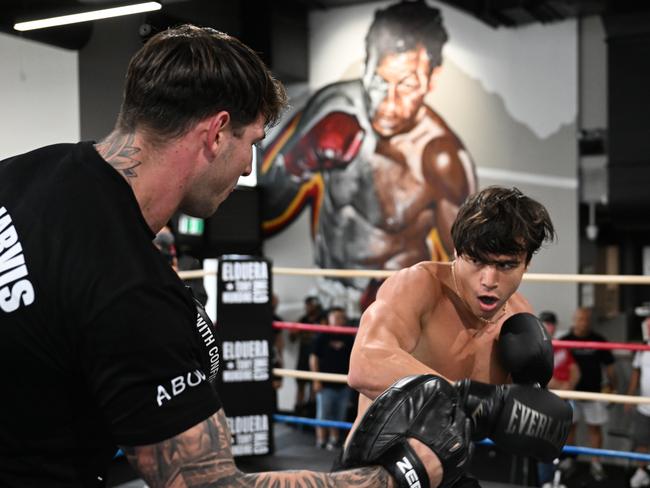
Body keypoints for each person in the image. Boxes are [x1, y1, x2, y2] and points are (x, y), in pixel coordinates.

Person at [0, 24, 472, 488]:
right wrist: (395, 476)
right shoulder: (132, 291)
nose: (249, 166)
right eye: (253, 143)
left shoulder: (24, 171)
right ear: (217, 132)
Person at [258, 0, 477, 312]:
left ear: (432, 79)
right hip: (328, 294)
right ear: (367, 66)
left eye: (406, 85)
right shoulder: (332, 104)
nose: (387, 102)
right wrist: (298, 161)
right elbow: (265, 208)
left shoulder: (441, 157)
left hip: (397, 299)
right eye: (377, 80)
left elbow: (468, 264)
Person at [347, 186, 560, 434]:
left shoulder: (519, 318)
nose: (489, 280)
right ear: (457, 252)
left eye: (506, 265)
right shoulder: (419, 285)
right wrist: (465, 398)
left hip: (453, 467)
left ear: (526, 264)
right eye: (477, 260)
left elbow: (498, 421)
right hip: (378, 463)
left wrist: (531, 406)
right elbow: (365, 364)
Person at [558, 307, 616, 481]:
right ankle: (569, 460)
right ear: (574, 320)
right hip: (571, 394)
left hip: (594, 393)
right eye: (580, 319)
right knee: (569, 429)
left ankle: (596, 463)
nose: (583, 322)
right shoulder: (565, 341)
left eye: (586, 319)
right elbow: (555, 368)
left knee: (595, 430)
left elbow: (610, 367)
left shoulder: (598, 340)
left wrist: (614, 388)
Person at [536, 310, 580, 486]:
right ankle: (546, 481)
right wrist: (562, 386)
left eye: (551, 323)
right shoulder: (536, 346)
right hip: (546, 400)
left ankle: (561, 475)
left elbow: (575, 369)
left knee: (567, 433)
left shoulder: (562, 345)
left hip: (564, 398)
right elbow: (541, 375)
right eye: (545, 323)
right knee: (546, 441)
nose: (549, 327)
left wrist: (570, 386)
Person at [310, 306, 355, 450]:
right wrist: (316, 380)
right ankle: (321, 441)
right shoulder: (322, 336)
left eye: (341, 317)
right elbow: (313, 359)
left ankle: (334, 440)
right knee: (323, 415)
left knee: (339, 415)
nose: (338, 320)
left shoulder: (348, 337)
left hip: (343, 383)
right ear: (329, 319)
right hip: (325, 383)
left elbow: (354, 359)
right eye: (335, 317)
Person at [625, 317, 650, 488]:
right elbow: (636, 372)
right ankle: (643, 471)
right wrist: (629, 396)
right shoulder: (643, 349)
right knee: (641, 441)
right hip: (644, 406)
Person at [290, 295, 325, 414]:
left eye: (310, 305)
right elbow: (292, 338)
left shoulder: (322, 320)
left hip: (316, 358)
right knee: (300, 386)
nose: (308, 307)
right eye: (307, 305)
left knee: (313, 389)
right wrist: (294, 330)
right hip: (303, 357)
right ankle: (298, 411)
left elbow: (324, 335)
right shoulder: (303, 320)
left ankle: (310, 411)